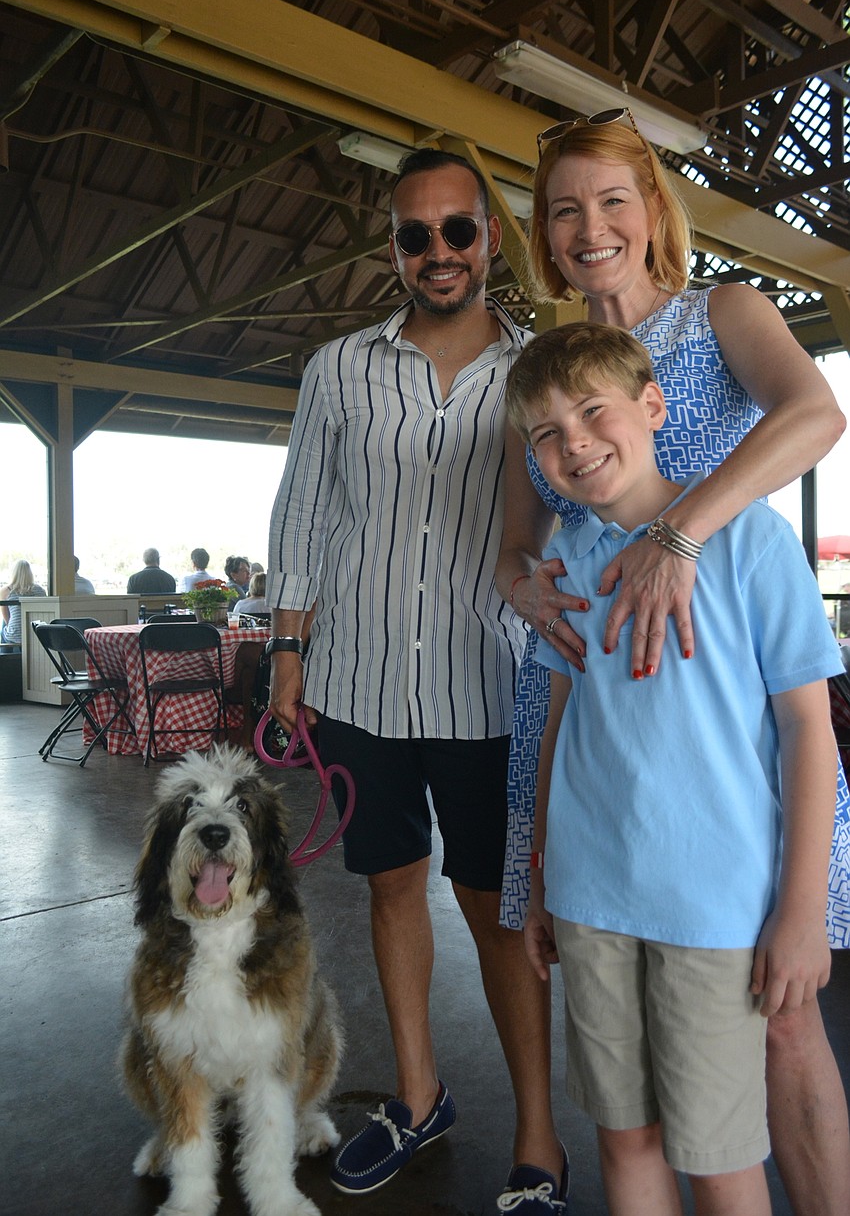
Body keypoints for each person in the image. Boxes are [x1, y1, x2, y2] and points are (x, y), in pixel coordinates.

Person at [496, 108, 850, 1214]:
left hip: (727, 673)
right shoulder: (545, 370)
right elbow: (519, 531)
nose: (589, 226)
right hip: (600, 686)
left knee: (776, 1003)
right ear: (546, 238)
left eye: (611, 199)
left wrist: (677, 532)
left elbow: (814, 411)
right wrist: (516, 576)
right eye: (564, 211)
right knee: (622, 1051)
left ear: (653, 208)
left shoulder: (722, 310)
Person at [266, 149, 566, 1210]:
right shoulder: (338, 369)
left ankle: (539, 1137)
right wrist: (287, 649)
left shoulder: (538, 370)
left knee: (493, 907)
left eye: (455, 230)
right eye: (413, 234)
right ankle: (419, 1092)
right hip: (355, 680)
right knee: (393, 883)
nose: (436, 251)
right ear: (391, 247)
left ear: (489, 237)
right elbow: (301, 512)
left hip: (487, 682)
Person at [0, 560, 46, 644]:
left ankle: (5, 655)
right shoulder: (40, 590)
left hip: (14, 636)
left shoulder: (6, 590)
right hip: (35, 633)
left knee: (5, 625)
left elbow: (6, 618)